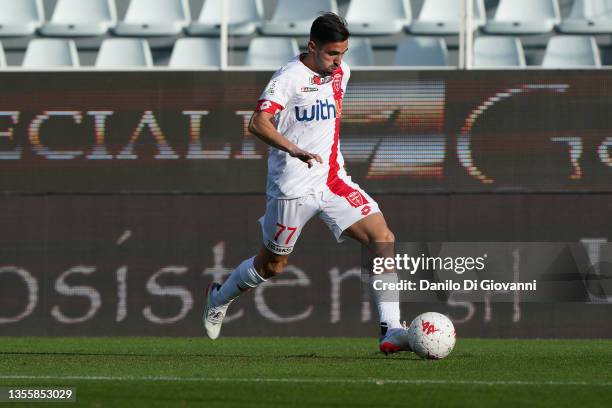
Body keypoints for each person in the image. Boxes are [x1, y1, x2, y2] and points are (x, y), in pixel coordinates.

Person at [203, 12, 410, 354]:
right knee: (272, 266)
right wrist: (293, 147)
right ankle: (218, 297)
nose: (338, 61)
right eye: (332, 54)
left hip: (331, 179)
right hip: (291, 188)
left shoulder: (341, 72)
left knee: (382, 238)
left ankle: (390, 329)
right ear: (312, 47)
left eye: (342, 53)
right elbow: (258, 123)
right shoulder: (288, 78)